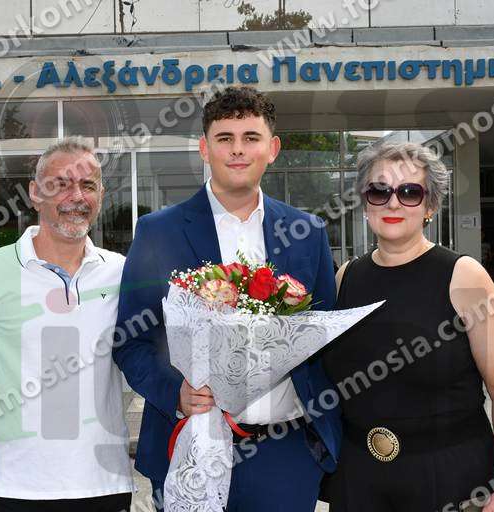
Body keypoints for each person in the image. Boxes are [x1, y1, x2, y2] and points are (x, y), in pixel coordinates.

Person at [113, 86, 340, 511]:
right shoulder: (158, 232)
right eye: (224, 138)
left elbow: (325, 337)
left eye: (251, 138)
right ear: (205, 148)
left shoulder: (307, 232)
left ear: (272, 149)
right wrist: (175, 393)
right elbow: (130, 341)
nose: (238, 149)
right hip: (190, 444)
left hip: (285, 453)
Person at [322, 142, 494, 512]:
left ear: (430, 206)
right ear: (365, 203)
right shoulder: (345, 278)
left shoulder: (465, 277)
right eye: (379, 191)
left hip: (448, 477)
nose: (393, 203)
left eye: (409, 192)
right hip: (359, 478)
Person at [0, 137, 134, 512]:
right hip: (21, 490)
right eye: (61, 184)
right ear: (35, 193)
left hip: (108, 485)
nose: (76, 197)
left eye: (87, 185)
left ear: (101, 195)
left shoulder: (122, 272)